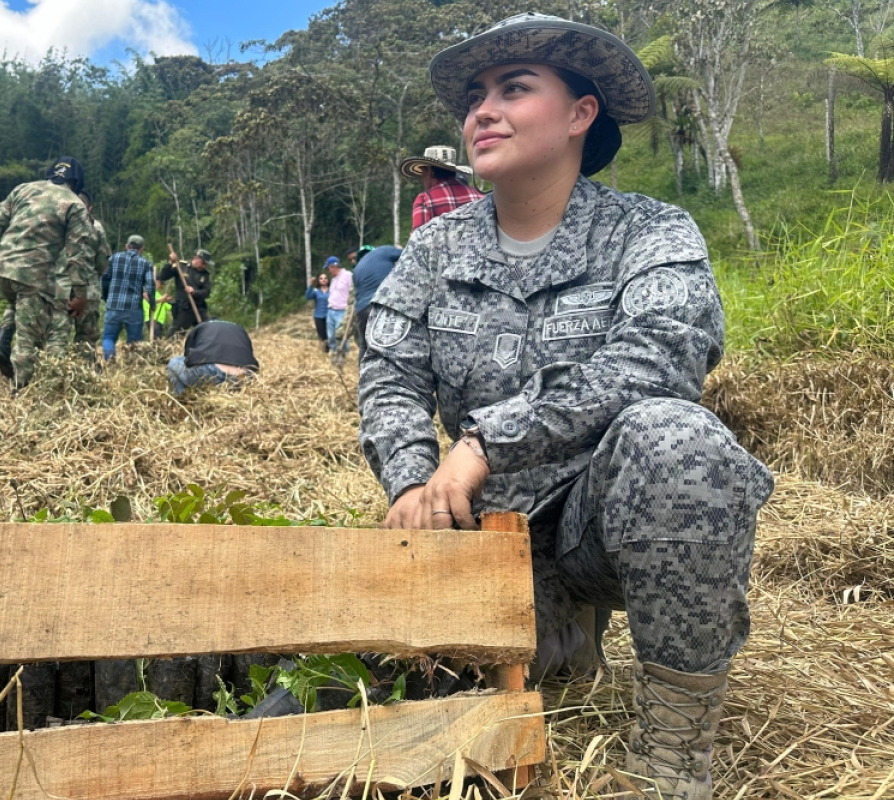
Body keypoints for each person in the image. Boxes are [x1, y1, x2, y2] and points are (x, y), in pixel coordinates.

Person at [357, 14, 774, 800]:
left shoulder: (649, 232)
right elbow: (389, 372)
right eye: (476, 96)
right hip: (486, 533)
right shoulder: (434, 252)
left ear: (582, 113)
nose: (483, 110)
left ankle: (673, 756)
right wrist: (414, 483)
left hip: (603, 522)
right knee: (468, 707)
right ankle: (561, 638)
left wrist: (484, 443)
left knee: (678, 441)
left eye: (514, 89)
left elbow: (660, 357)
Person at [0, 156, 95, 389]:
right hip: (32, 276)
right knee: (29, 336)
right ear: (77, 182)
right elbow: (78, 254)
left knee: (21, 306)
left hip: (2, 268)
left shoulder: (23, 190)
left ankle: (2, 341)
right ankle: (21, 389)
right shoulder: (75, 204)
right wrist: (81, 293)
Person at [401, 145, 485, 231]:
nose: (422, 177)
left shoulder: (425, 200)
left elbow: (418, 241)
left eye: (423, 172)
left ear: (430, 171)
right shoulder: (479, 197)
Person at [166, 320, 258, 396]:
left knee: (175, 362)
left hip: (212, 372)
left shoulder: (201, 327)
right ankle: (233, 383)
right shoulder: (239, 329)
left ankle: (181, 397)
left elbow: (188, 357)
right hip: (246, 375)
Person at [100, 234, 155, 359]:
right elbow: (150, 286)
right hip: (134, 308)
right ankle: (131, 367)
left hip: (113, 306)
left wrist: (106, 297)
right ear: (142, 249)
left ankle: (109, 361)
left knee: (108, 338)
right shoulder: (146, 264)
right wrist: (152, 303)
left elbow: (104, 278)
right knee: (134, 344)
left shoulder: (114, 258)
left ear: (126, 246)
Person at [74, 192, 114, 350]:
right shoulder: (96, 227)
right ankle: (85, 368)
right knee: (86, 334)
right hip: (87, 287)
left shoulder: (55, 224)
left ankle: (57, 368)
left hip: (57, 288)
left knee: (57, 333)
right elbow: (102, 262)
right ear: (89, 209)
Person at [351, 245, 401, 360]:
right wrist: (400, 248)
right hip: (382, 304)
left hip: (362, 309)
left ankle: (363, 376)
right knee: (389, 343)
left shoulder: (356, 269)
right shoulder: (384, 250)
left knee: (364, 346)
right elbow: (409, 253)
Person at [158, 248, 213, 335]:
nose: (204, 266)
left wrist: (194, 292)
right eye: (203, 263)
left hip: (199, 308)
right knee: (175, 335)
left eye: (206, 264)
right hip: (184, 309)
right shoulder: (181, 266)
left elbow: (206, 292)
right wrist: (170, 262)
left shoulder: (205, 275)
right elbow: (163, 276)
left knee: (209, 331)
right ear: (196, 259)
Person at [324, 256, 352, 355]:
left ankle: (344, 352)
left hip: (342, 311)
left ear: (334, 266)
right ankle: (333, 349)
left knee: (341, 334)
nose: (328, 271)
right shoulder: (333, 279)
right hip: (330, 310)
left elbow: (353, 292)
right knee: (331, 335)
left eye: (328, 268)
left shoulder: (348, 275)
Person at [305, 273, 330, 353]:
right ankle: (324, 351)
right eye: (321, 278)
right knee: (321, 334)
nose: (323, 279)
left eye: (325, 278)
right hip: (318, 316)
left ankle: (329, 350)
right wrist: (310, 285)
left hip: (329, 315)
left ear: (327, 280)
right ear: (319, 281)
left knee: (329, 334)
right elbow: (308, 297)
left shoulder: (332, 290)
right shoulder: (316, 291)